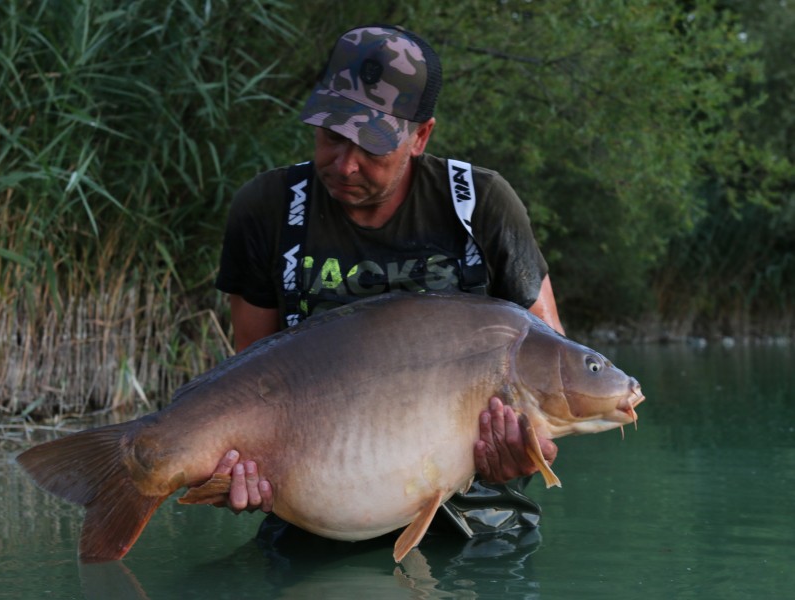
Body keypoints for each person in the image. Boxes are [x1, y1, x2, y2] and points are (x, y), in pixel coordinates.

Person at [211, 24, 562, 550]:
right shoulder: (269, 209)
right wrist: (238, 467)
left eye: (372, 147)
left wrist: (527, 451)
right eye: (332, 137)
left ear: (421, 136)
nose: (345, 165)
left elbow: (552, 374)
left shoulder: (481, 204)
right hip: (318, 507)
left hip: (478, 515)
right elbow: (252, 381)